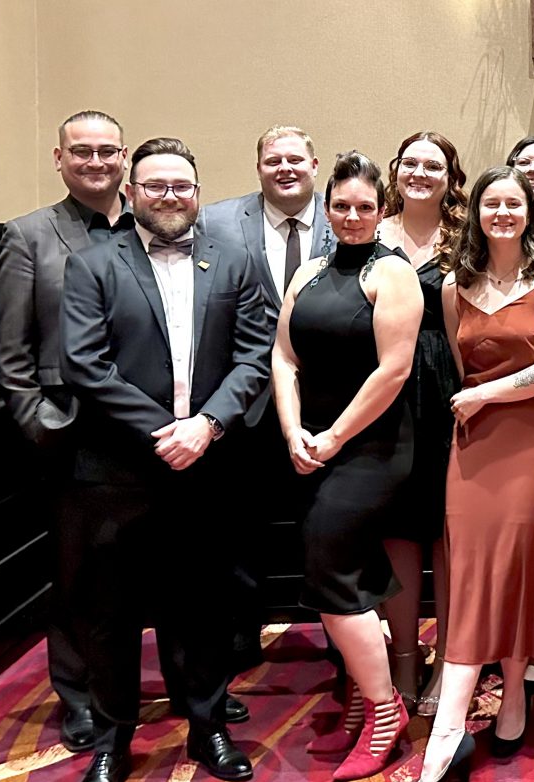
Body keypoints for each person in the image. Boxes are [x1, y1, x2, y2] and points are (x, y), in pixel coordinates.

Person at [60, 137, 272, 782]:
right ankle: (113, 739)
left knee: (203, 605)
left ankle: (207, 726)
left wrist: (206, 426)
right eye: (155, 186)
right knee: (111, 612)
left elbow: (255, 354)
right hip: (120, 470)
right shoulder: (93, 263)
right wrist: (165, 430)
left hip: (207, 465)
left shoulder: (233, 260)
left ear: (198, 191)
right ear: (132, 193)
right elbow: (85, 365)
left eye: (182, 185)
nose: (170, 196)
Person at [398, 166, 534, 782]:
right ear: (476, 213)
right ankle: (481, 714)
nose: (502, 213)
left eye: (514, 203)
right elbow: (457, 361)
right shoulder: (454, 285)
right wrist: (474, 399)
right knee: (478, 573)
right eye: (491, 204)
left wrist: (484, 393)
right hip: (474, 450)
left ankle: (466, 724)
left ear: (530, 213)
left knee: (514, 569)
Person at [273, 151, 423, 782]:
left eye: (366, 207)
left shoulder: (393, 273)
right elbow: (284, 357)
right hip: (313, 442)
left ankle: (385, 710)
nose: (353, 217)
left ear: (382, 210)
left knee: (327, 562)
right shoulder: (307, 272)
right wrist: (292, 432)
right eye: (341, 206)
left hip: (375, 447)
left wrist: (331, 437)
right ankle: (369, 685)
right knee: (350, 566)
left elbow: (395, 369)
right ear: (325, 208)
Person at [0, 109, 131, 754]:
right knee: (76, 571)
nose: (96, 162)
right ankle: (77, 696)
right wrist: (40, 425)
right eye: (82, 151)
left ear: (124, 156)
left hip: (147, 429)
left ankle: (160, 688)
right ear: (59, 158)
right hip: (70, 430)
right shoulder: (28, 236)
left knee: (147, 566)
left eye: (108, 151)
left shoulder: (150, 226)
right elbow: (11, 353)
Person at [196, 125, 333, 681]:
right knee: (240, 527)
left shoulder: (346, 214)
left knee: (328, 524)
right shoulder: (219, 221)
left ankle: (339, 633)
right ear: (258, 167)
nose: (285, 168)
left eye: (295, 159)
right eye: (272, 160)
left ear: (315, 164)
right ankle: (241, 634)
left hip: (326, 404)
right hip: (246, 403)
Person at [377, 131, 466, 718]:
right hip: (380, 392)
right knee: (397, 534)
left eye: (433, 165)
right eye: (410, 163)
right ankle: (405, 658)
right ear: (396, 171)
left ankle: (453, 662)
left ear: (450, 178)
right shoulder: (368, 231)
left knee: (449, 533)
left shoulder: (466, 240)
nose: (420, 173)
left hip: (445, 389)